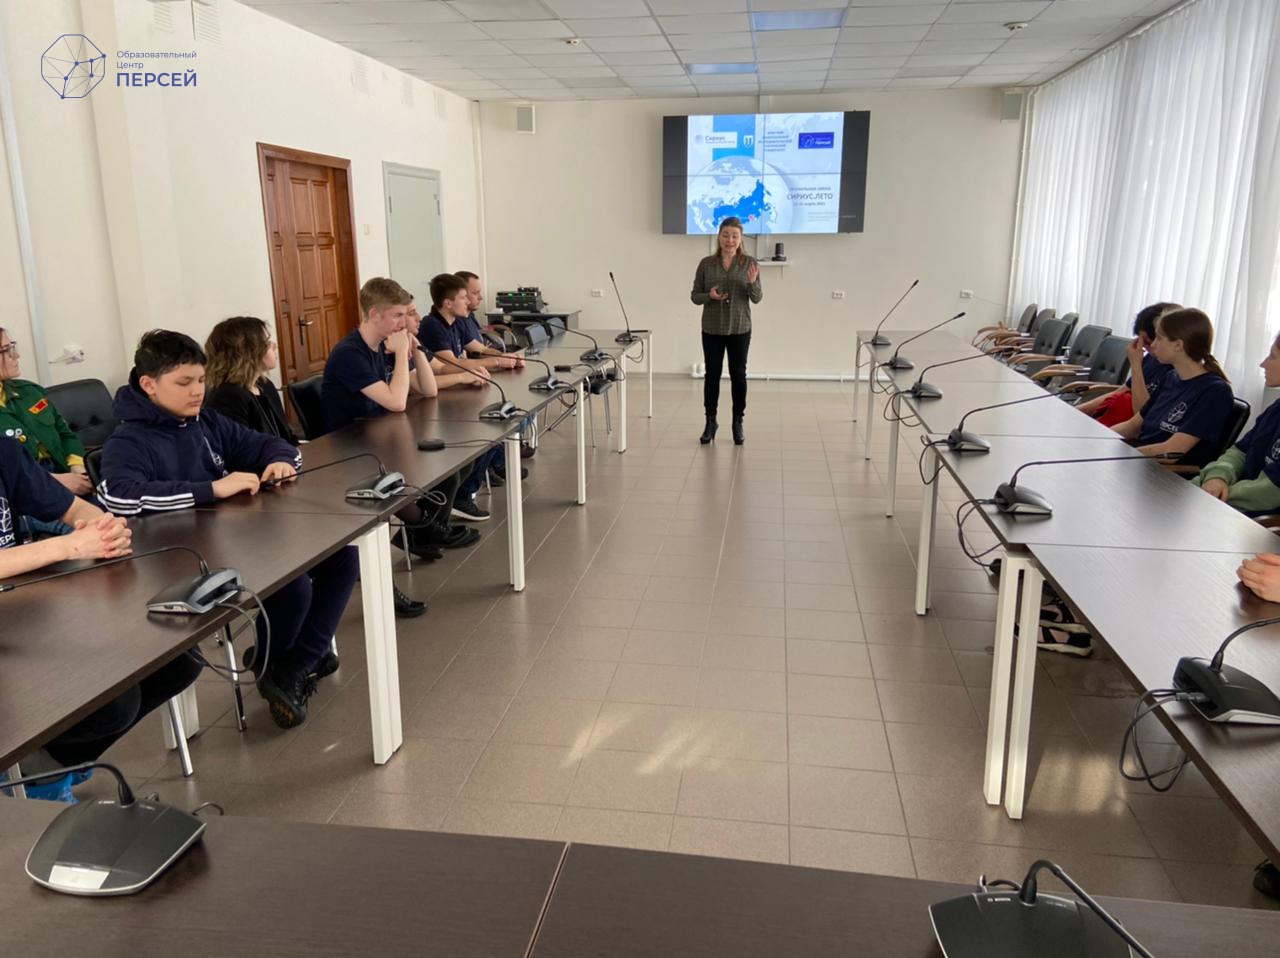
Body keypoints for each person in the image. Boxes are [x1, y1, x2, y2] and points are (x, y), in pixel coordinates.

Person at [97, 330, 358, 730]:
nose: (197, 391)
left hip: (231, 540)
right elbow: (118, 497)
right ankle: (288, 662)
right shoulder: (129, 440)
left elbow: (269, 445)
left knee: (342, 555)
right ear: (149, 384)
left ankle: (293, 663)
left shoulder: (205, 421)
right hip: (175, 561)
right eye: (184, 383)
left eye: (201, 380)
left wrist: (280, 461)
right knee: (292, 583)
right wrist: (211, 489)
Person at [0, 435, 201, 801]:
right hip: (15, 641)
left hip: (25, 614)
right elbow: (65, 544)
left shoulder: (4, 451)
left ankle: (50, 765)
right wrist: (68, 546)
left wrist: (106, 529)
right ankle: (39, 777)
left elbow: (73, 508)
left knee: (178, 663)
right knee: (111, 705)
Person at [322, 277, 485, 549]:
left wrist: (415, 347)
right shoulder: (350, 353)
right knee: (436, 469)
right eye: (397, 315)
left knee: (457, 460)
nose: (403, 322)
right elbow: (396, 402)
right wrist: (400, 353)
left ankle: (423, 533)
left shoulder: (383, 345)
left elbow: (428, 389)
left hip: (381, 435)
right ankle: (428, 531)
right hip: (352, 447)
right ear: (375, 314)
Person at [418, 272, 527, 519]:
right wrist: (496, 362)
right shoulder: (432, 326)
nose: (469, 301)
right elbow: (450, 365)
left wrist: (502, 357)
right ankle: (463, 494)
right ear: (448, 303)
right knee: (487, 432)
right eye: (464, 297)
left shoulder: (455, 322)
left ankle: (491, 467)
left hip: (455, 393)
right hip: (441, 403)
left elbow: (469, 354)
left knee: (505, 419)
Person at [1109, 308, 1234, 468]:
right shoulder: (1171, 377)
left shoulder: (1215, 392)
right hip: (1140, 461)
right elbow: (1133, 426)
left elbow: (1171, 452)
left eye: (1159, 338)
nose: (1153, 344)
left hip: (1164, 473)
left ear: (1178, 345)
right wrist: (1099, 440)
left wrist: (1118, 456)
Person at [690, 216, 761, 445]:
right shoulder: (706, 264)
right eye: (726, 235)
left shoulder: (749, 263)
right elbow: (695, 296)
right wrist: (709, 296)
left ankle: (737, 422)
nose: (730, 240)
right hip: (712, 328)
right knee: (712, 375)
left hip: (740, 327)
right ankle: (710, 422)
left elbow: (757, 298)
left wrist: (752, 283)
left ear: (741, 239)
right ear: (719, 237)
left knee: (739, 375)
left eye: (734, 236)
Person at [1193, 332, 1280, 514]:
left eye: (1272, 357)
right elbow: (1240, 451)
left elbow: (1270, 493)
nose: (1263, 364)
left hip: (1253, 522)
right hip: (1223, 505)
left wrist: (1212, 493)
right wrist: (1217, 476)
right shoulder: (1276, 409)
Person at [0, 327, 91, 497]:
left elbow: (65, 435)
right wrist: (55, 482)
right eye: (7, 350)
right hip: (26, 494)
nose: (16, 355)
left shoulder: (30, 392)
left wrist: (77, 468)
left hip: (66, 473)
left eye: (13, 347)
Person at [456, 269, 536, 460]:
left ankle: (505, 453)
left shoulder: (468, 317)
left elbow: (480, 348)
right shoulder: (452, 322)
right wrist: (501, 359)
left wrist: (506, 356)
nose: (480, 297)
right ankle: (499, 458)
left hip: (483, 373)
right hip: (473, 380)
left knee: (526, 407)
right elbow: (472, 353)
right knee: (512, 413)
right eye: (474, 293)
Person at [1073, 302, 1180, 424]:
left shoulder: (1176, 373)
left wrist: (1135, 365)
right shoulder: (1152, 360)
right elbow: (1122, 391)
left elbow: (1143, 415)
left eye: (1147, 342)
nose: (1144, 347)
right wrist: (1075, 411)